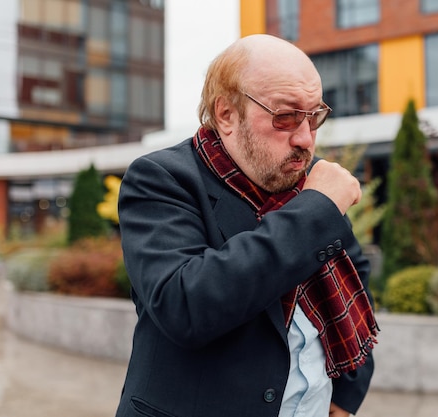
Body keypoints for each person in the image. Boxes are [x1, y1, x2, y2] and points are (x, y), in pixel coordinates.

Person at [115, 34, 378, 417]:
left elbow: (356, 277)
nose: (305, 138)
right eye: (285, 116)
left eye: (314, 116)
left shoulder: (306, 181)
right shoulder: (161, 179)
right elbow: (185, 305)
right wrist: (316, 210)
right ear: (227, 114)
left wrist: (346, 396)